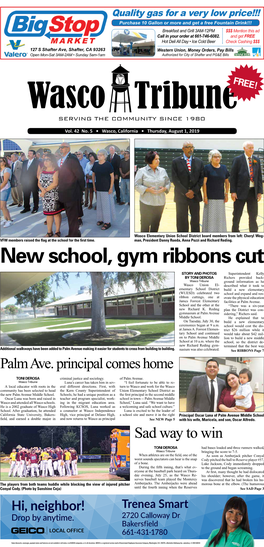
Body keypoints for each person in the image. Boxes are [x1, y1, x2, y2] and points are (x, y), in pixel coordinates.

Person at [230, 141, 263, 232]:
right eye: (249, 147)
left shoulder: (256, 160)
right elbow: (233, 177)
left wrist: (259, 191)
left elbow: (259, 177)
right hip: (240, 192)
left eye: (252, 147)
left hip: (253, 192)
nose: (251, 149)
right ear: (244, 148)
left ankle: (253, 232)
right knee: (237, 214)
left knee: (253, 215)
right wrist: (233, 191)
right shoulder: (237, 159)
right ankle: (235, 232)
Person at [135, 150, 170, 232]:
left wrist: (165, 188)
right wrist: (147, 189)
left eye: (158, 159)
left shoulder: (163, 170)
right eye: (156, 159)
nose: (158, 161)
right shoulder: (142, 171)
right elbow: (136, 185)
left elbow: (168, 183)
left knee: (155, 225)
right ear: (150, 160)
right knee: (145, 225)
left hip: (160, 203)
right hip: (146, 203)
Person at [172, 141, 204, 232]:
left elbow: (201, 179)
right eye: (188, 147)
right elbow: (175, 179)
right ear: (183, 149)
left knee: (195, 219)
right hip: (181, 196)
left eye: (192, 147)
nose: (190, 149)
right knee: (181, 219)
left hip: (195, 195)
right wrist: (185, 192)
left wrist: (193, 191)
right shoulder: (176, 162)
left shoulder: (199, 162)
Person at [57, 142, 85, 237]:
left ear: (68, 148)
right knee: (70, 214)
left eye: (63, 147)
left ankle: (73, 235)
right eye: (60, 147)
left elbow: (79, 175)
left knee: (72, 215)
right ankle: (75, 232)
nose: (61, 149)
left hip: (72, 192)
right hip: (65, 192)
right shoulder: (62, 160)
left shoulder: (72, 159)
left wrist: (81, 190)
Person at [202, 150, 229, 232]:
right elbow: (204, 183)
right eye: (215, 157)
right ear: (211, 158)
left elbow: (227, 182)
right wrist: (205, 196)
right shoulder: (207, 168)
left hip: (220, 196)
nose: (217, 158)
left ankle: (220, 232)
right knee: (210, 216)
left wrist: (226, 194)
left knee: (220, 217)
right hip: (210, 197)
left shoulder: (224, 168)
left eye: (218, 157)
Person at [38, 153, 64, 237]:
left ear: (52, 161)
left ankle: (57, 231)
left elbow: (55, 183)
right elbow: (39, 182)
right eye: (44, 160)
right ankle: (49, 232)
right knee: (48, 214)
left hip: (54, 196)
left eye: (47, 160)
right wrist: (42, 190)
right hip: (45, 196)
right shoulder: (42, 170)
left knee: (56, 214)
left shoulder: (56, 170)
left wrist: (44, 191)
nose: (45, 161)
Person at [92, 149, 115, 230]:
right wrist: (94, 186)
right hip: (98, 188)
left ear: (105, 156)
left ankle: (107, 222)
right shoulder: (95, 164)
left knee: (106, 206)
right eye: (98, 154)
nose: (99, 156)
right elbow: (93, 175)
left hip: (106, 188)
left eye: (101, 155)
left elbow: (112, 177)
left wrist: (111, 188)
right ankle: (101, 219)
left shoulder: (108, 165)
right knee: (100, 205)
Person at [20, 149, 39, 214]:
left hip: (34, 182)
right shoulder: (25, 162)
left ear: (34, 155)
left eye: (30, 153)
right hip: (25, 182)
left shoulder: (37, 162)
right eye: (28, 153)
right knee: (26, 195)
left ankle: (35, 208)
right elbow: (22, 172)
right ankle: (26, 207)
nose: (29, 154)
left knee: (35, 195)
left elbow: (38, 172)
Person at [0, 156, 13, 228]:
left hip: (5, 189)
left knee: (3, 206)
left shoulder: (7, 169)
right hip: (1, 188)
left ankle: (9, 220)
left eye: (1, 161)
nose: (0, 162)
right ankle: (5, 218)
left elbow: (5, 181)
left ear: (5, 162)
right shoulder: (1, 170)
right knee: (1, 206)